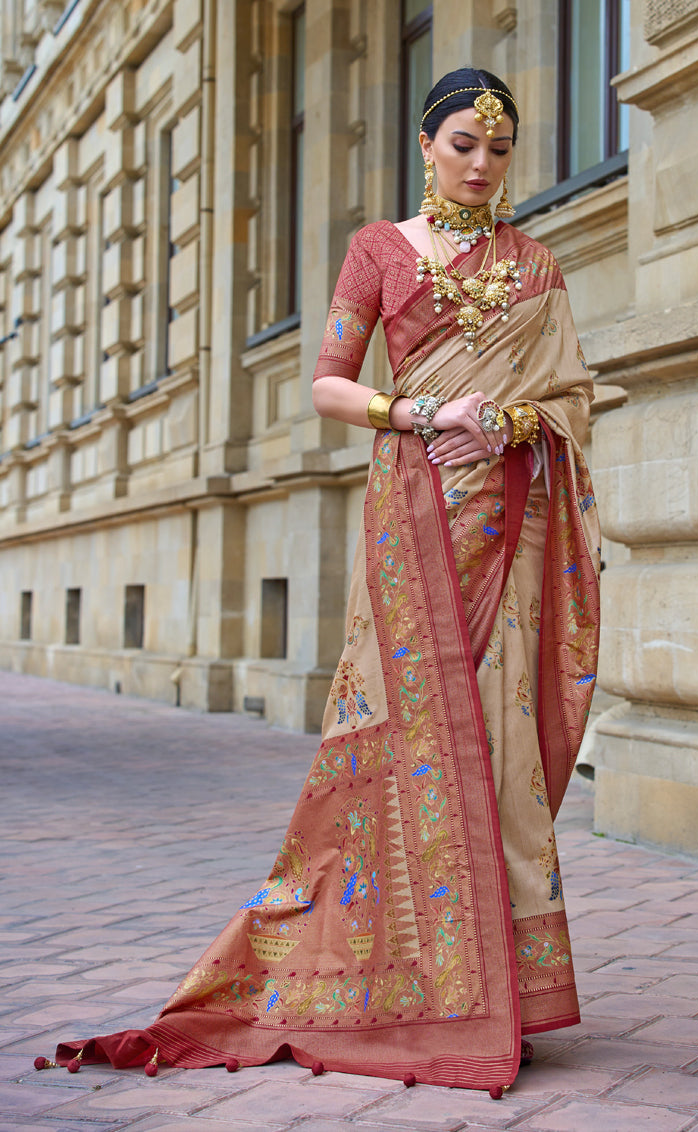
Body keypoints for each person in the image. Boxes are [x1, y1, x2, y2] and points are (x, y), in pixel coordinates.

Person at [46, 67, 600, 1096]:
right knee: (400, 731)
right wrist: (425, 416)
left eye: (498, 149)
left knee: (498, 733)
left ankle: (497, 987)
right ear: (426, 147)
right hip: (416, 511)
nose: (481, 165)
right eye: (462, 145)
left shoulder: (536, 265)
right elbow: (326, 383)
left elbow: (570, 393)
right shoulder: (379, 251)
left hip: (509, 516)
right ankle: (391, 972)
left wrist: (512, 420)